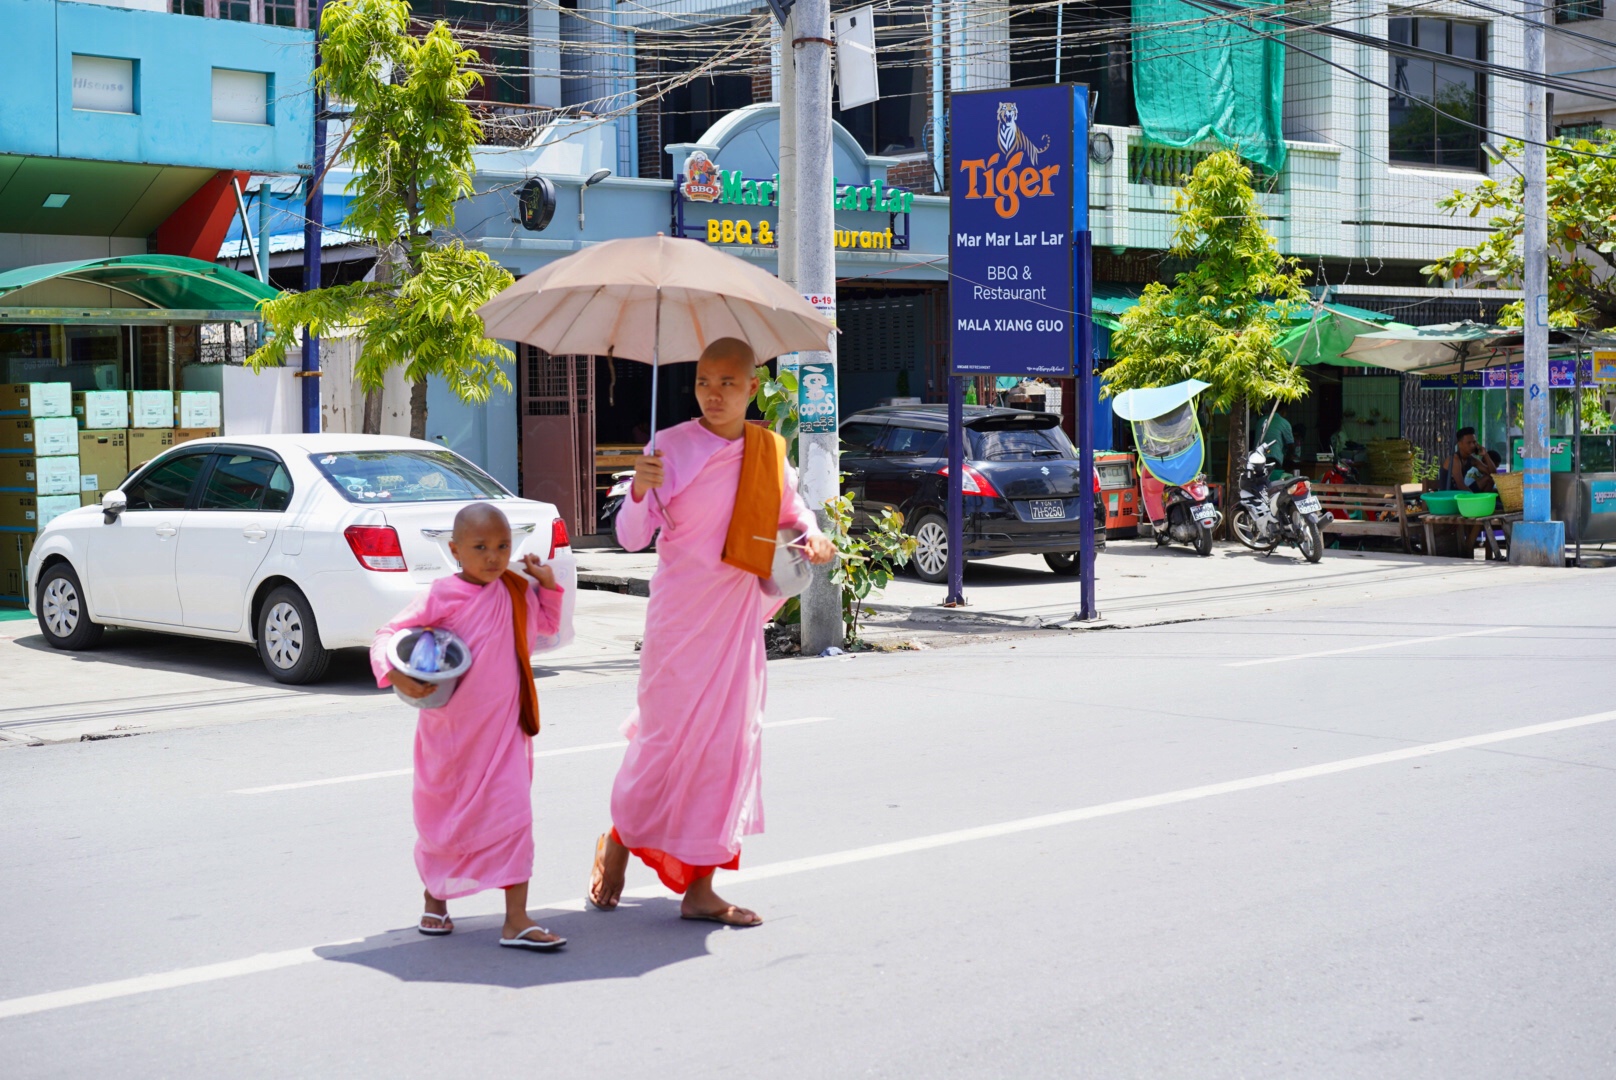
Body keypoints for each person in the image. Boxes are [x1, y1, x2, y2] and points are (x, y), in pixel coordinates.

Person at [587, 337, 836, 927]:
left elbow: (789, 516)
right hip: (679, 620)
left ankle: (700, 887)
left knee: (725, 750)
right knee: (663, 744)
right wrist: (641, 488)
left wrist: (814, 535)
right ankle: (620, 839)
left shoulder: (769, 449)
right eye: (703, 381)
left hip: (737, 619)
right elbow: (628, 537)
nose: (713, 393)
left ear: (753, 388)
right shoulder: (667, 446)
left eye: (727, 382)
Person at [372, 502, 568, 952]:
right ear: (456, 550)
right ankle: (435, 899)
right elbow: (389, 634)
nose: (494, 557)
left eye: (503, 546)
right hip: (453, 737)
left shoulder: (516, 590)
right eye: (480, 547)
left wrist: (548, 586)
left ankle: (516, 919)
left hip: (505, 734)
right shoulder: (442, 594)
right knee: (447, 822)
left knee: (514, 815)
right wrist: (396, 672)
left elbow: (546, 631)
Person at [1443, 427, 1497, 492]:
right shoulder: (1454, 459)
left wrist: (1485, 454)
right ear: (1460, 444)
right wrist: (1473, 499)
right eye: (1468, 443)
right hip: (1449, 496)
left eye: (1474, 442)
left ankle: (1485, 501)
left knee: (1489, 478)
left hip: (1462, 494)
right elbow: (1461, 486)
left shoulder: (1472, 460)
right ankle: (1481, 501)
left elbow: (1493, 474)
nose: (1472, 445)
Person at [1259, 403, 1295, 467]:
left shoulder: (1261, 421)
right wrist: (1290, 457)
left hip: (1257, 456)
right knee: (1274, 476)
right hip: (1274, 456)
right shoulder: (1284, 423)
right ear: (1283, 411)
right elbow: (1290, 445)